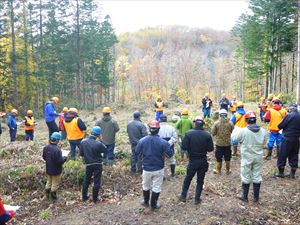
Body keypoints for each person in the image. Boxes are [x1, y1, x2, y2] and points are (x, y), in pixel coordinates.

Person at [136, 121, 173, 210]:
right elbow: (170, 154)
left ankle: (145, 202)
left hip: (146, 168)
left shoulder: (142, 141)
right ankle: (153, 205)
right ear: (158, 129)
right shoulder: (163, 142)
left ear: (149, 129)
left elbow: (137, 152)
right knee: (156, 187)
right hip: (158, 168)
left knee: (145, 185)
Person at [231, 111, 267, 203]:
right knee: (257, 175)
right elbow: (265, 143)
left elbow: (234, 138)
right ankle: (256, 197)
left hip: (247, 156)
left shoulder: (243, 131)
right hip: (258, 156)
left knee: (246, 175)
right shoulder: (263, 131)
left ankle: (245, 196)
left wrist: (236, 130)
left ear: (246, 120)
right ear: (255, 120)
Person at [179, 116, 214, 205]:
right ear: (203, 124)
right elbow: (210, 149)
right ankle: (197, 199)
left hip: (192, 160)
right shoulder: (207, 135)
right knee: (200, 180)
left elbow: (183, 147)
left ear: (194, 123)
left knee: (188, 178)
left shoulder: (188, 134)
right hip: (202, 160)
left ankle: (183, 196)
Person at [80, 126, 107, 203]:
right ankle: (95, 198)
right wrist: (101, 141)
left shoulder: (83, 142)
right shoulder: (98, 143)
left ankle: (84, 197)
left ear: (91, 132)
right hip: (97, 164)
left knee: (87, 180)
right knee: (97, 181)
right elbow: (105, 150)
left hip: (88, 164)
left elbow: (81, 154)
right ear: (98, 135)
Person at [276, 104, 300, 179]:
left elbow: (280, 126)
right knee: (294, 155)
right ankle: (292, 174)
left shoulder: (289, 116)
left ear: (290, 109)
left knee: (282, 154)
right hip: (296, 139)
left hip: (287, 139)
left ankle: (281, 173)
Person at [42, 132, 66, 201]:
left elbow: (44, 157)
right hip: (56, 170)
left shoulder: (46, 148)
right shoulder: (57, 150)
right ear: (57, 140)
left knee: (49, 182)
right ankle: (54, 197)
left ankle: (47, 195)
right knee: (55, 184)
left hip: (48, 168)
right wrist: (64, 158)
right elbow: (59, 161)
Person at [211, 109, 234, 174]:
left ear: (219, 115)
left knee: (219, 157)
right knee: (228, 157)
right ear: (226, 115)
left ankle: (218, 170)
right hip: (228, 143)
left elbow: (213, 133)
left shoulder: (216, 123)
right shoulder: (230, 123)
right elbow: (233, 131)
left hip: (219, 144)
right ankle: (228, 170)